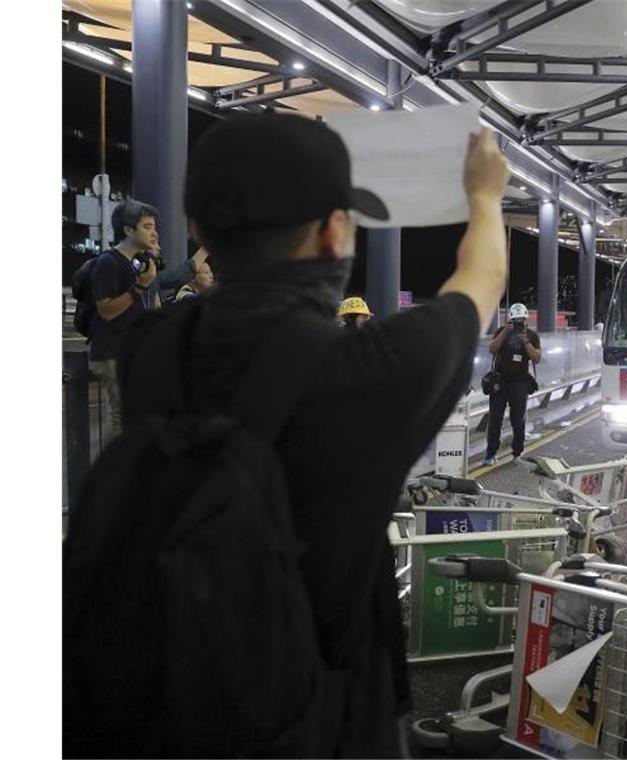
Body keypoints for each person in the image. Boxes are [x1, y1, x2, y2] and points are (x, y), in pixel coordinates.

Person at [101, 114, 509, 756]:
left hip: (166, 700)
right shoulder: (368, 370)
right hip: (321, 721)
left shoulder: (150, 352)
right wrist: (484, 196)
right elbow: (480, 280)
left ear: (202, 232)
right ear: (334, 232)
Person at [87, 199, 161, 436]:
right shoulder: (109, 262)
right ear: (128, 230)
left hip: (125, 350)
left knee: (132, 414)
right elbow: (106, 310)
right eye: (147, 227)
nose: (154, 232)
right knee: (121, 416)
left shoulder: (135, 263)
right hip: (111, 352)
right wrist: (139, 287)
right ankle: (114, 469)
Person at [483, 303, 542, 465]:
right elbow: (492, 349)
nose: (518, 323)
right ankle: (491, 453)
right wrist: (505, 332)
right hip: (500, 381)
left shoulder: (531, 335)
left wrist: (525, 341)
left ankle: (517, 452)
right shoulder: (502, 332)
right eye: (515, 320)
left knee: (518, 420)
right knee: (495, 419)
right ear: (509, 319)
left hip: (519, 382)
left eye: (521, 320)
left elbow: (536, 358)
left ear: (526, 320)